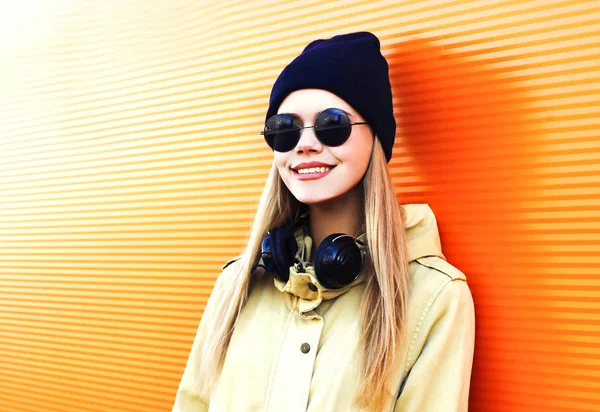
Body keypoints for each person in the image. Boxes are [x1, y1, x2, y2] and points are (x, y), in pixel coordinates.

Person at [172, 31, 475, 412]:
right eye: (286, 129)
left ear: (376, 138)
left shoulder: (435, 298)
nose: (305, 144)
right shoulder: (237, 283)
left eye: (332, 124)